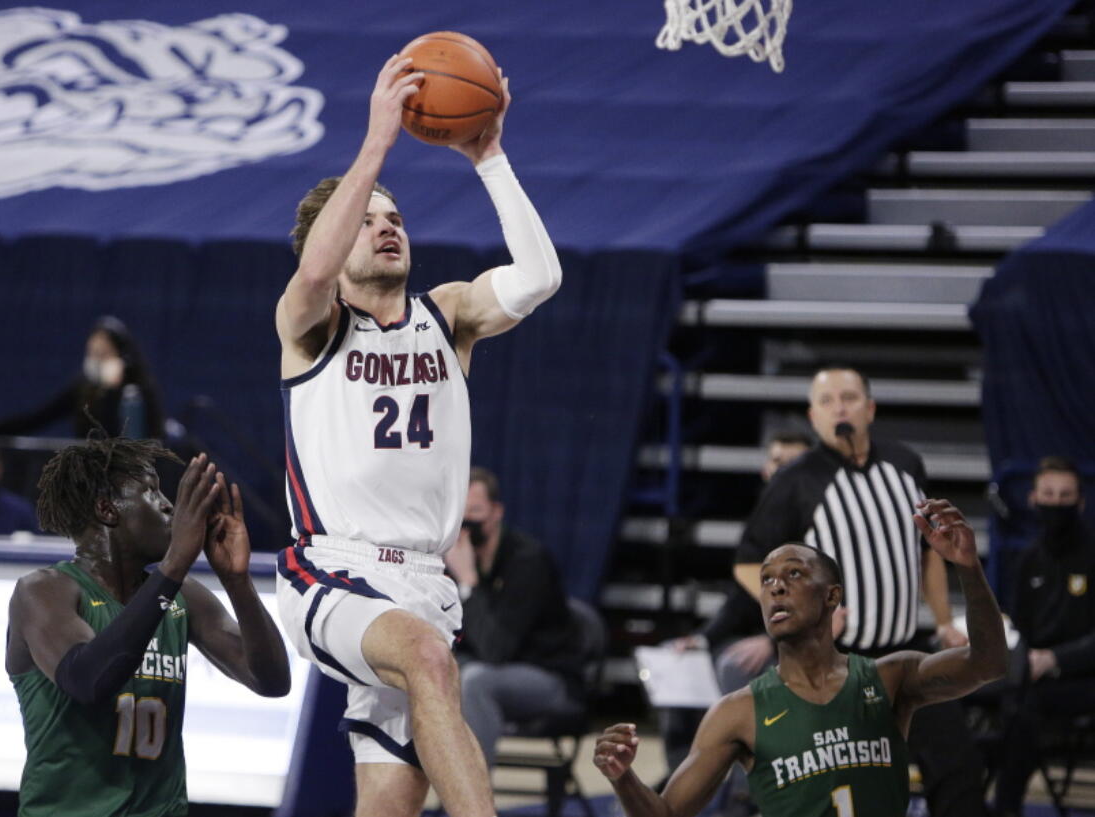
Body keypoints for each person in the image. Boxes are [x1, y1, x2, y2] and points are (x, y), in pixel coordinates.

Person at [272, 53, 560, 817]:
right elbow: (309, 275)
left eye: (395, 216)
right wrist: (375, 146)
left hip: (424, 585)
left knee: (389, 807)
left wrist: (489, 157)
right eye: (367, 220)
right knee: (429, 660)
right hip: (332, 571)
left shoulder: (449, 314)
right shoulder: (311, 328)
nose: (387, 225)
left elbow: (539, 278)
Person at [594, 499, 1008, 817]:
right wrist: (622, 776)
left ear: (832, 597)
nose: (775, 588)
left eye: (793, 574)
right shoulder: (738, 712)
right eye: (767, 580)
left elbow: (988, 663)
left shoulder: (889, 677)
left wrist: (969, 569)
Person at [731, 365, 987, 817]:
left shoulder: (906, 465)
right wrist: (804, 613)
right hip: (838, 659)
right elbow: (750, 564)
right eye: (827, 401)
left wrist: (945, 621)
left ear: (869, 409)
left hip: (908, 650)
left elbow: (928, 553)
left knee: (958, 764)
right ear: (813, 417)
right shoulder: (796, 481)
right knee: (839, 783)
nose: (839, 408)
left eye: (848, 398)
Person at [6, 439, 290, 817]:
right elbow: (87, 680)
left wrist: (237, 581)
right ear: (108, 510)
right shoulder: (44, 591)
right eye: (151, 492)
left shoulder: (182, 595)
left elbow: (271, 681)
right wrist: (174, 564)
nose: (169, 505)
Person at [660, 430, 813, 774]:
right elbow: (740, 598)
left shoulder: (820, 526)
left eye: (793, 464)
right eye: (777, 462)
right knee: (677, 660)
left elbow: (827, 601)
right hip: (761, 636)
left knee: (734, 665)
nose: (782, 472)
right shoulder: (764, 522)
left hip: (799, 645)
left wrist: (773, 640)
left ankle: (746, 792)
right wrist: (701, 639)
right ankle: (682, 775)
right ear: (764, 469)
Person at [443, 467, 583, 767]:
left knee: (476, 681)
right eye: (460, 514)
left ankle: (472, 805)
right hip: (483, 668)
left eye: (476, 511)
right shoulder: (448, 560)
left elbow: (496, 650)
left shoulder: (528, 561)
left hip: (547, 676)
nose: (466, 524)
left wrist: (467, 582)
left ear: (496, 512)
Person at [992, 456, 1095, 817]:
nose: (1056, 503)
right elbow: (1017, 628)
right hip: (1034, 677)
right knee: (985, 701)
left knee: (1024, 712)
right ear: (1034, 499)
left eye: (1065, 495)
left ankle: (1005, 808)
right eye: (1048, 495)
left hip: (1084, 679)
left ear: (1081, 503)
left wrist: (1056, 659)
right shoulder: (1028, 560)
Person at [0, 315, 165, 439]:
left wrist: (112, 392)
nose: (96, 361)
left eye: (103, 354)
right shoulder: (83, 388)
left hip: (129, 478)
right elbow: (37, 418)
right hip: (89, 478)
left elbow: (124, 437)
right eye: (92, 353)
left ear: (122, 356)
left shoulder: (138, 391)